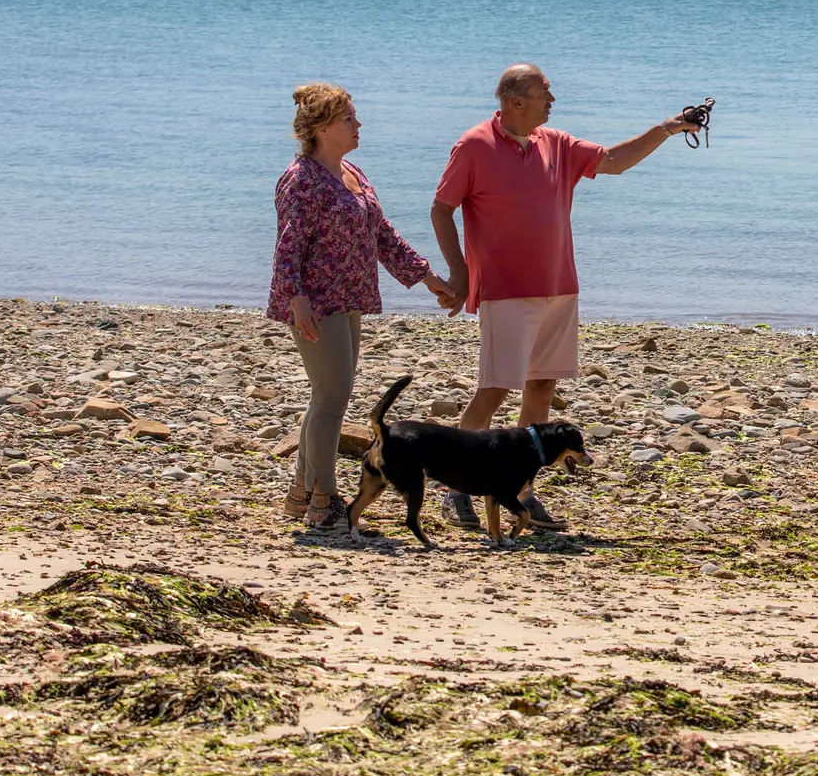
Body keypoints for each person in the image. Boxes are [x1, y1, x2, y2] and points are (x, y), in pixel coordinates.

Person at [429, 63, 701, 531]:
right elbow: (441, 209)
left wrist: (669, 128)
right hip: (505, 289)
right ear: (515, 101)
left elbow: (614, 161)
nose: (551, 99)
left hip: (560, 286)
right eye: (543, 92)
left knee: (542, 386)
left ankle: (521, 491)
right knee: (494, 390)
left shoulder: (554, 142)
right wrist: (458, 271)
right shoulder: (474, 145)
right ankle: (458, 488)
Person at [268, 82, 455, 533]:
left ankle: (303, 494)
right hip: (315, 303)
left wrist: (428, 279)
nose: (359, 124)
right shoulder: (301, 179)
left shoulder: (352, 172)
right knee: (332, 400)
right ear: (321, 128)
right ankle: (326, 503)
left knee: (329, 397)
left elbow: (382, 237)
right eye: (349, 118)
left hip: (349, 298)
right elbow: (288, 246)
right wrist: (297, 301)